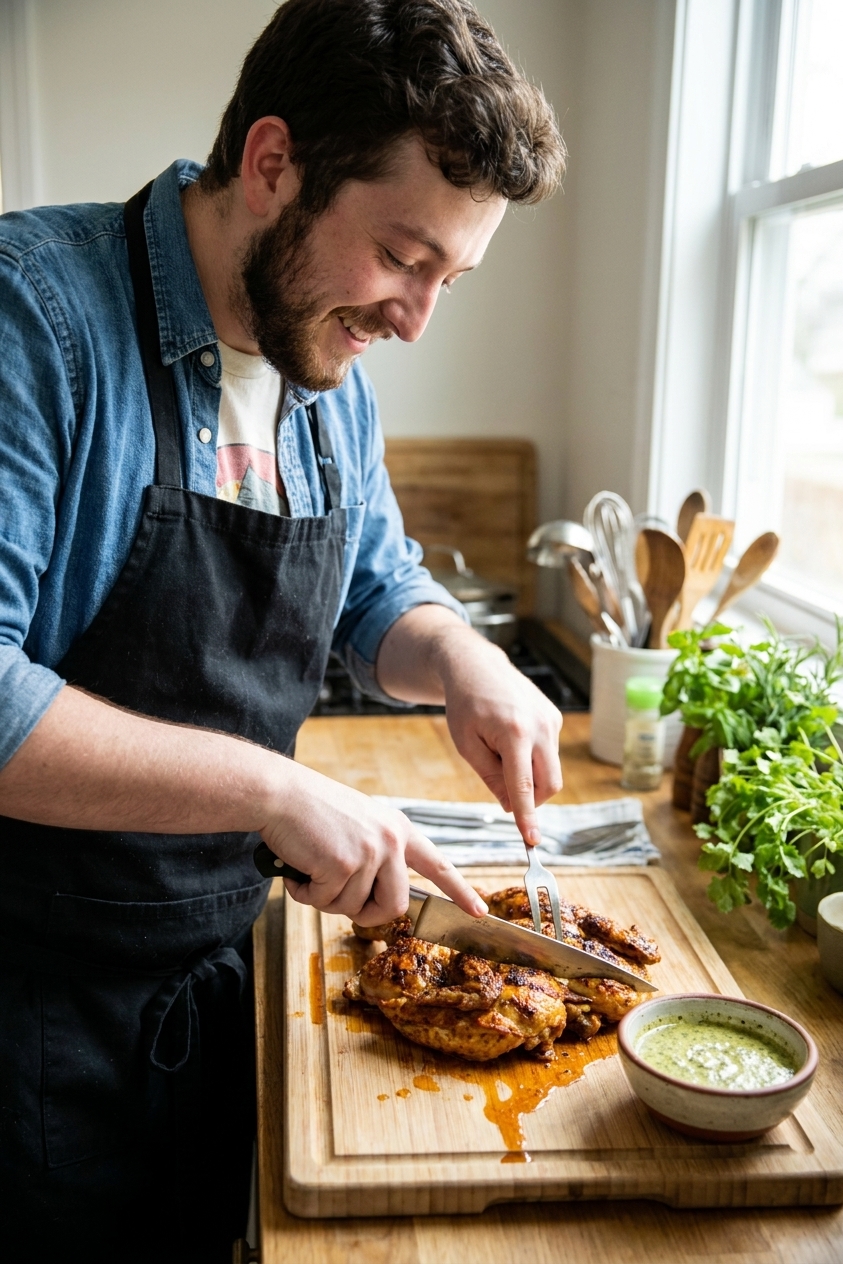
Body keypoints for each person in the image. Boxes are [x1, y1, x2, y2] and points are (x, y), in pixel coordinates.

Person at [0, 0, 566, 1258]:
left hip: (221, 982)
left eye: (450, 281)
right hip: (34, 1015)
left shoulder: (325, 375)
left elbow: (373, 589)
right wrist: (266, 787)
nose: (415, 319)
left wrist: (463, 657)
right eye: (405, 258)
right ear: (272, 165)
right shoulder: (33, 320)